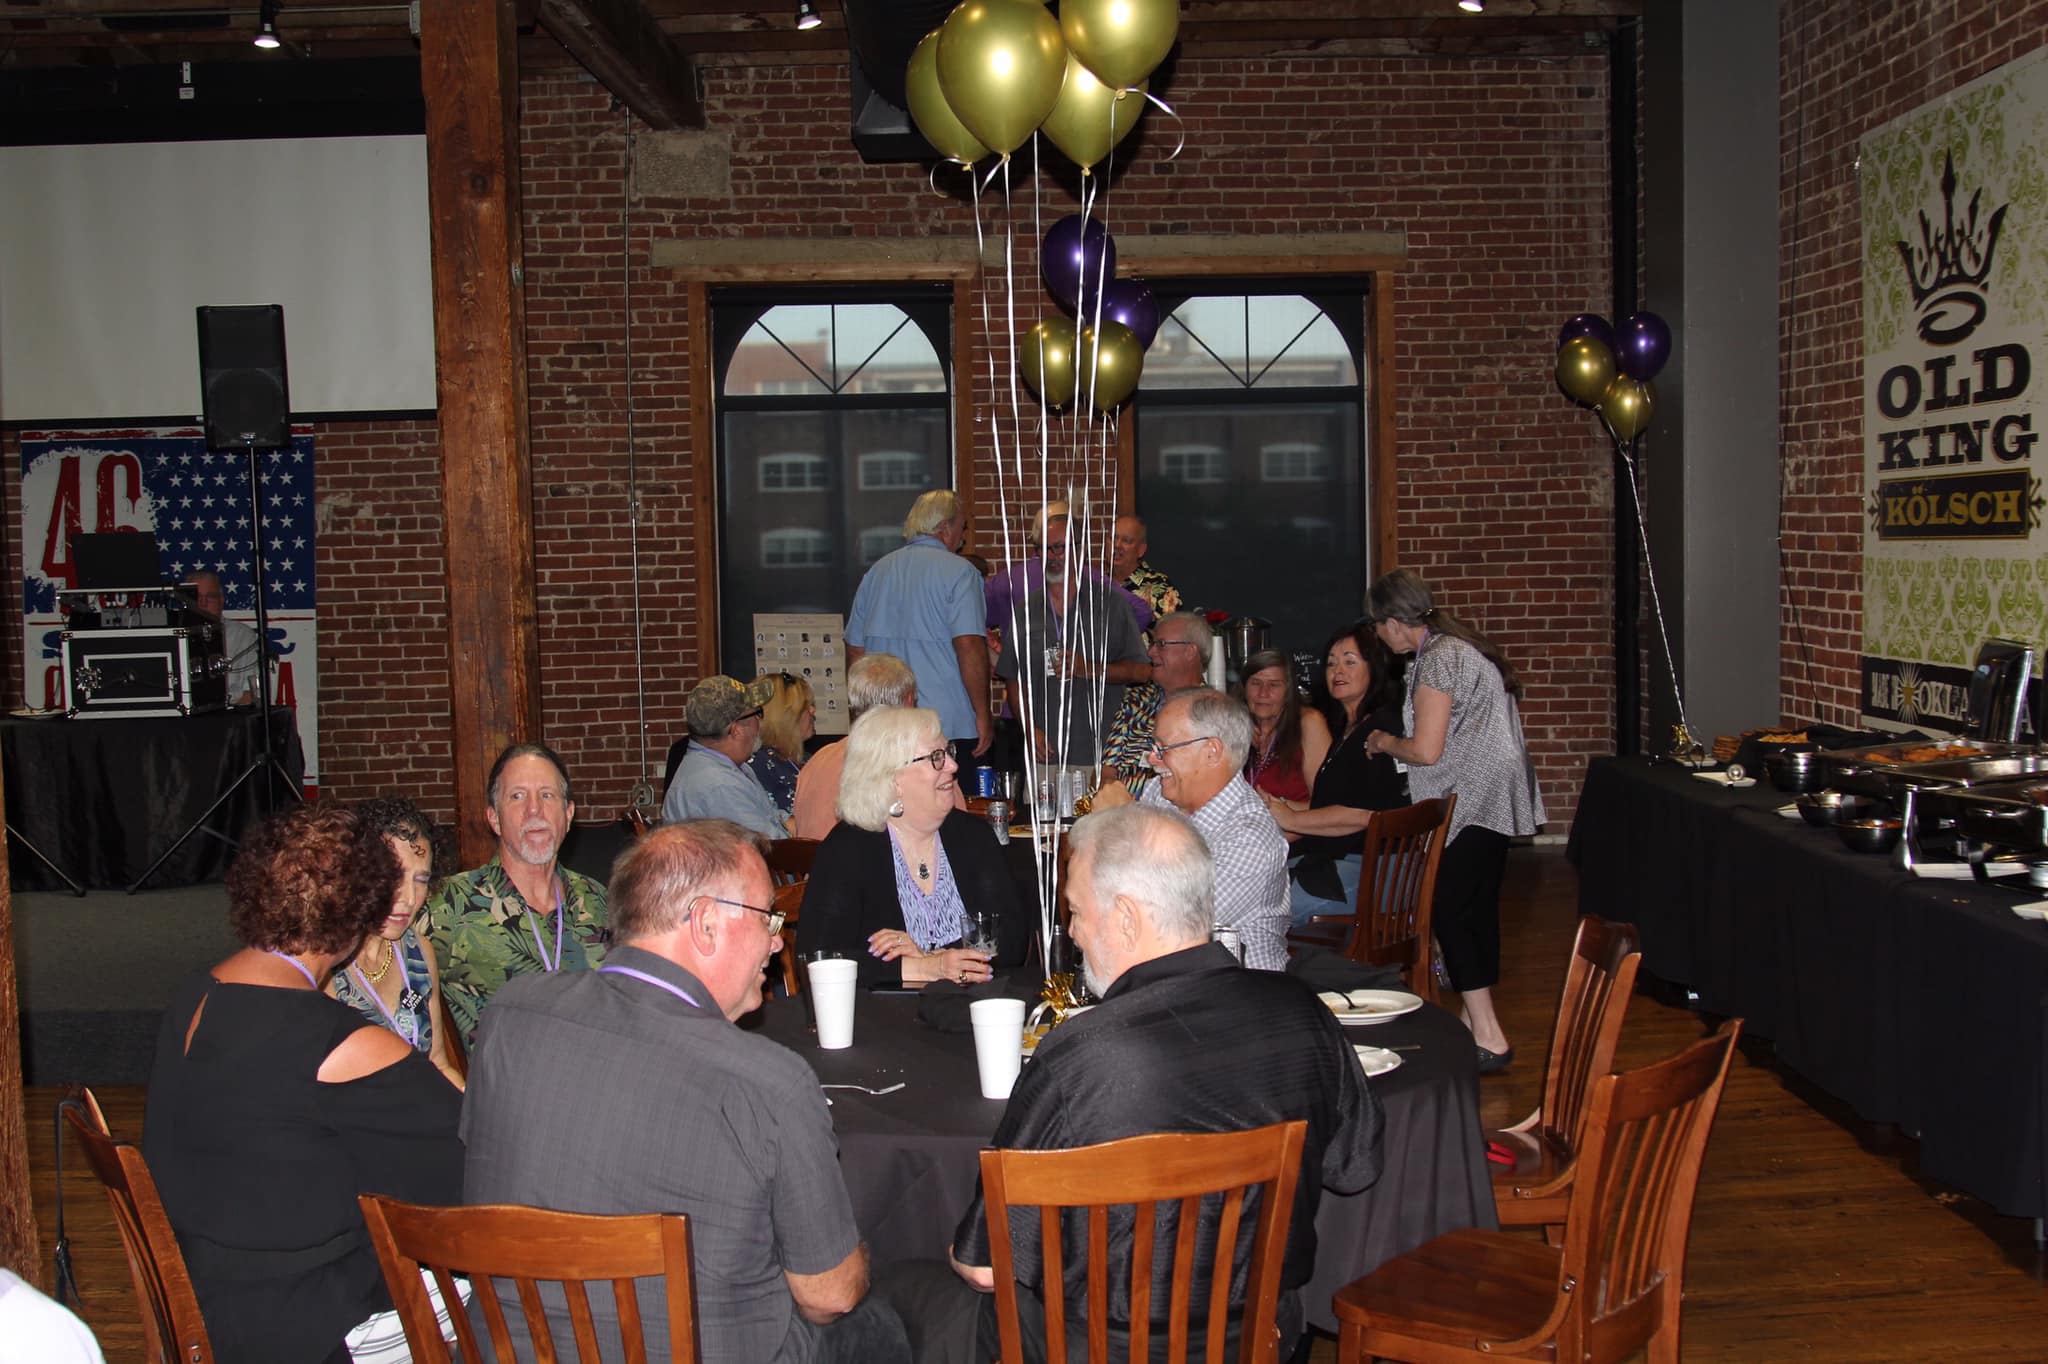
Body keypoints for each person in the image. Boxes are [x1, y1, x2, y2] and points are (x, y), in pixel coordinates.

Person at [913, 804, 1382, 1364]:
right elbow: (1356, 1167)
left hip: (1094, 1350)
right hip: (1260, 1341)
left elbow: (986, 1265)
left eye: (1077, 912)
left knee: (909, 1300)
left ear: (1128, 917)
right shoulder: (1302, 1013)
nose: (1072, 932)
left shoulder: (1082, 1058)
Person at [462, 819, 910, 1364]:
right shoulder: (769, 1080)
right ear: (704, 924)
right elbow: (829, 1297)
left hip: (514, 1349)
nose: (777, 940)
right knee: (888, 1317)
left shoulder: (510, 1015)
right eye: (768, 916)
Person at [143, 801, 463, 1364]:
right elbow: (469, 1157)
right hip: (309, 1327)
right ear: (358, 912)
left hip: (207, 1295)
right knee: (529, 1284)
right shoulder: (339, 1045)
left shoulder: (195, 996)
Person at [1366, 568, 1545, 1073]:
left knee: (1453, 914)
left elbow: (1425, 749)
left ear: (1394, 620)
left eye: (1377, 625)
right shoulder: (1459, 648)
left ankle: (1489, 1036)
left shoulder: (1438, 660)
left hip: (1468, 802)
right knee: (1475, 910)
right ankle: (1473, 1024)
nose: (1377, 635)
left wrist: (1383, 742)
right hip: (1491, 798)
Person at [796, 706, 1028, 988]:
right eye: (936, 758)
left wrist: (933, 958)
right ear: (892, 779)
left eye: (948, 752)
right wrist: (922, 968)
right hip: (882, 1022)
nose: (954, 766)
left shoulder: (972, 836)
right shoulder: (849, 849)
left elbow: (1013, 939)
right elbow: (816, 960)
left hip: (971, 1009)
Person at [424, 741, 608, 1048]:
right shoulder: (451, 905)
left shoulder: (599, 900)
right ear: (494, 818)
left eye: (547, 795)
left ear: (569, 813)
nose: (534, 809)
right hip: (501, 1091)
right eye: (517, 796)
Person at [1094, 688, 1291, 970]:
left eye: (1164, 749)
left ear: (1211, 752)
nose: (1152, 759)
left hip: (1239, 993)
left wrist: (1119, 823)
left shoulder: (1251, 837)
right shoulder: (1159, 794)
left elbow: (1171, 928)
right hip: (1171, 983)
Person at [1262, 624, 1410, 931]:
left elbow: (1362, 815)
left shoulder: (1381, 732)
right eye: (1331, 663)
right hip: (1340, 862)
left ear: (1375, 667)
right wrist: (1273, 806)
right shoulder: (1347, 728)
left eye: (1349, 661)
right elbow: (1328, 805)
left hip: (1375, 872)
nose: (1337, 670)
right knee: (1246, 889)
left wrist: (1288, 817)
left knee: (1257, 909)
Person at [845, 489, 994, 760]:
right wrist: (982, 714)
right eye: (962, 526)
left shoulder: (876, 572)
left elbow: (855, 651)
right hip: (945, 725)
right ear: (945, 527)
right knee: (951, 800)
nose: (964, 537)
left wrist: (862, 714)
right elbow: (969, 645)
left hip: (885, 723)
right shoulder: (961, 573)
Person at [329, 795, 464, 1088]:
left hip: (419, 1116)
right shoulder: (325, 965)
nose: (409, 899)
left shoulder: (418, 951)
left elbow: (439, 1065)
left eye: (420, 880)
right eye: (394, 876)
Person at [993, 528, 1149, 768]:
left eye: (1060, 547)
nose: (1053, 556)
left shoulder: (1111, 604)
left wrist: (1088, 669)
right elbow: (1014, 680)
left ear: (1079, 550)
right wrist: (1029, 729)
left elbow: (1141, 671)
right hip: (1045, 756)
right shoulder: (1027, 609)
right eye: (1045, 549)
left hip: (1101, 755)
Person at [792, 652, 963, 840]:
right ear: (908, 700)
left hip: (816, 866)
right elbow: (961, 838)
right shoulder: (926, 765)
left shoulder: (818, 760)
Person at [985, 501, 1154, 636]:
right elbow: (1141, 612)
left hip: (1022, 675)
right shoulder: (1087, 576)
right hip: (1078, 674)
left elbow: (968, 619)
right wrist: (1103, 651)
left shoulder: (1005, 581)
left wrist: (995, 654)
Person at [662, 674, 788, 838]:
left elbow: (775, 818)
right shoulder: (720, 784)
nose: (760, 721)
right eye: (758, 713)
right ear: (736, 730)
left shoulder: (729, 767)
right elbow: (771, 848)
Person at [1100, 611, 1213, 783]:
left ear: (1190, 651)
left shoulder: (1214, 711)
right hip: (1124, 807)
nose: (1150, 652)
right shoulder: (1137, 700)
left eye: (1161, 644)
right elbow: (1106, 772)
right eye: (1152, 644)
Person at [1240, 648, 1332, 803]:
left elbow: (1326, 804)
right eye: (1256, 683)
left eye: (1274, 685)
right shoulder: (1235, 725)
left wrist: (1282, 810)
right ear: (1244, 688)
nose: (1263, 693)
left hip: (1295, 825)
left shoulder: (1308, 723)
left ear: (1288, 690)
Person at [187, 569, 261, 705]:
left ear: (221, 600)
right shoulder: (173, 637)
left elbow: (253, 693)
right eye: (196, 597)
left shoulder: (242, 636)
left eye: (210, 597)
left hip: (228, 717)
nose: (203, 604)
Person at [746, 670, 815, 816]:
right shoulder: (757, 767)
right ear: (784, 717)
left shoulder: (808, 759)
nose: (812, 710)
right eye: (805, 706)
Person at [1110, 513, 1182, 623]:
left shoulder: (1162, 587)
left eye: (1126, 541)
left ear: (1141, 550)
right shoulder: (1096, 584)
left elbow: (1173, 634)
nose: (1117, 545)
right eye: (1113, 538)